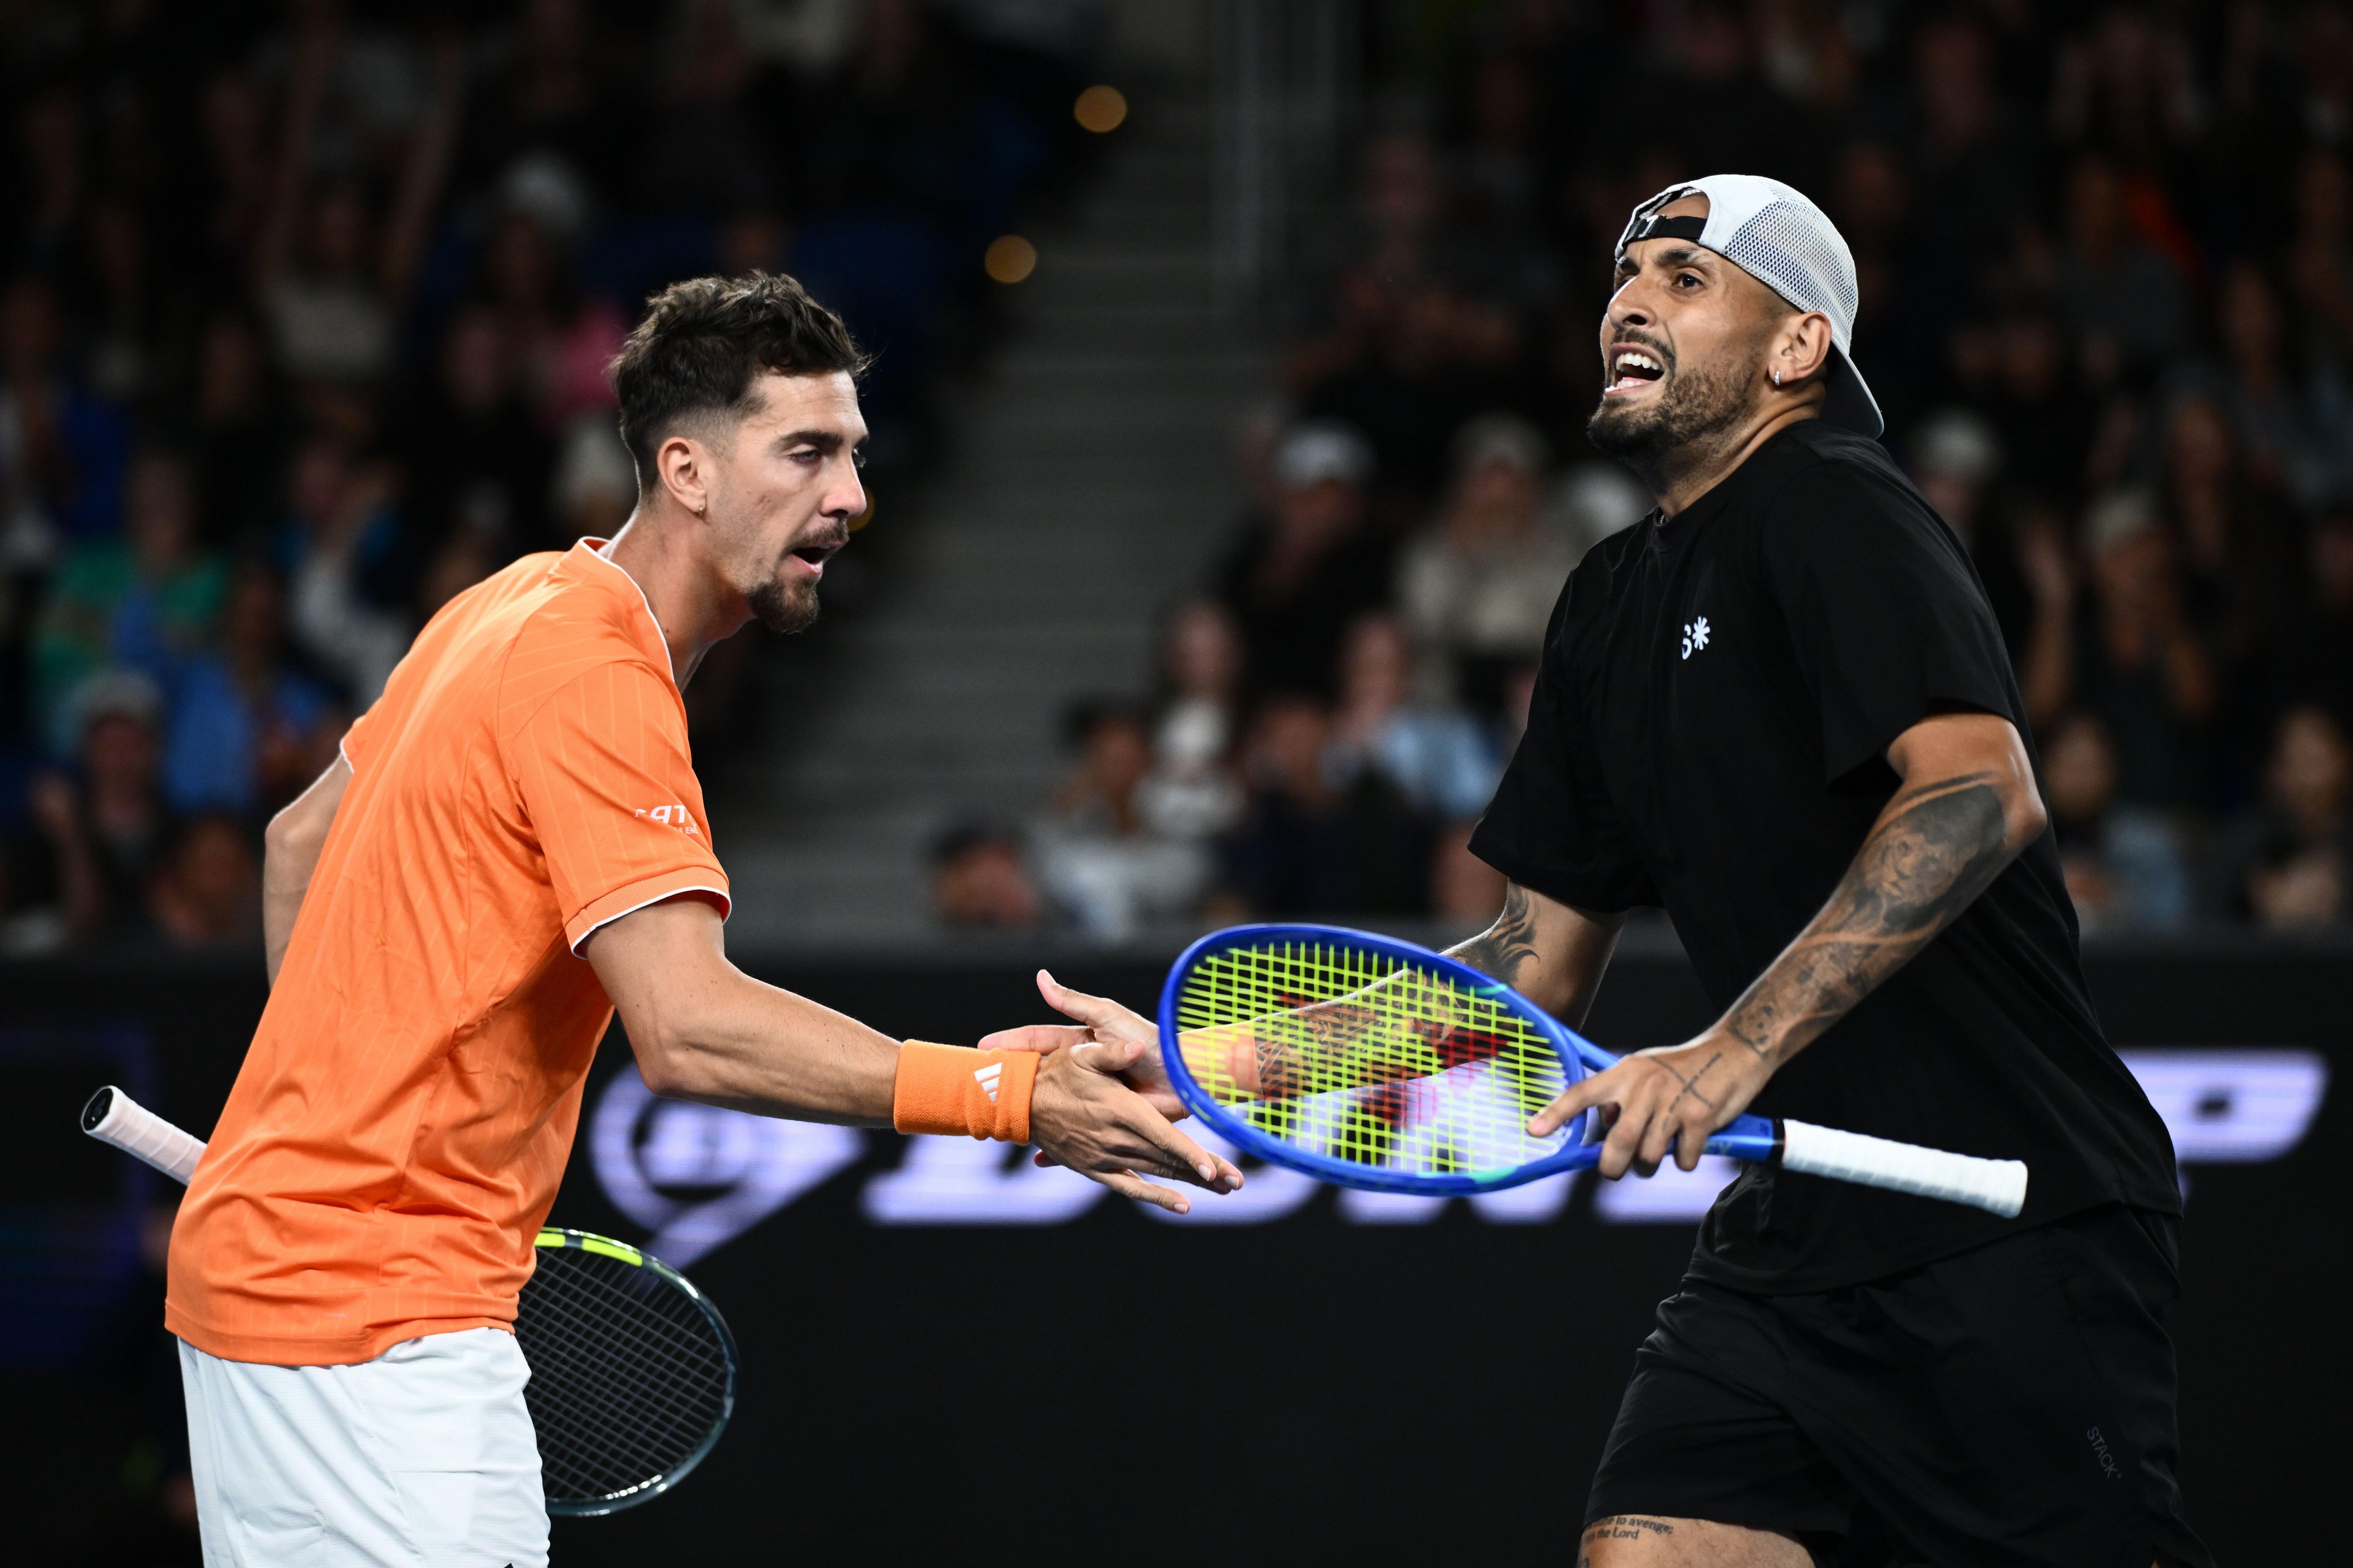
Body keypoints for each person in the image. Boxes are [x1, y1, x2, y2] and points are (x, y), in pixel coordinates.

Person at [163, 273, 1241, 1567]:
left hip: (269, 1294)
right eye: (806, 451)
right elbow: (685, 1026)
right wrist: (1007, 1098)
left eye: (851, 451)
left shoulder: (508, 604)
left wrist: (314, 1122)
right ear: (684, 467)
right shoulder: (594, 669)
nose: (849, 494)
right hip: (379, 1327)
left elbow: (301, 840)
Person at [1451, 178, 2199, 1563]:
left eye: (1684, 276)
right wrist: (1228, 1058)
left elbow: (1979, 791)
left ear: (1797, 347)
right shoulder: (1605, 603)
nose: (1628, 297)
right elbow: (1527, 961)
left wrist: (1722, 1055)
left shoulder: (1831, 505)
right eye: (1625, 274)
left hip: (2005, 1223)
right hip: (1788, 1252)